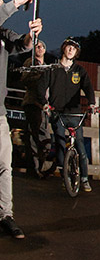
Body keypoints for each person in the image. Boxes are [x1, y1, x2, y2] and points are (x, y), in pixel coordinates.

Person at [0, 0, 42, 239]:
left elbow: (23, 46)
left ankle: (5, 214)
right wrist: (17, 1)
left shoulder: (3, 34)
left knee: (5, 165)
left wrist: (31, 35)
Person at [36, 38, 96, 191]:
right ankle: (65, 177)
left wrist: (91, 103)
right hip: (57, 113)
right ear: (64, 48)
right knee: (60, 145)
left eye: (74, 49)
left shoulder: (79, 70)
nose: (71, 50)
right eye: (69, 47)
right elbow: (41, 87)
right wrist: (44, 102)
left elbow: (88, 87)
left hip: (75, 114)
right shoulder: (52, 69)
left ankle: (84, 178)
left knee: (81, 147)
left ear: (76, 53)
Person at [21, 39, 52, 176]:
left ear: (45, 50)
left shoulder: (47, 66)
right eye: (36, 46)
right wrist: (38, 75)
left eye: (41, 46)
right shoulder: (30, 62)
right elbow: (24, 80)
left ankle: (41, 165)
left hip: (44, 105)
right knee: (34, 136)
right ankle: (34, 168)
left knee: (43, 136)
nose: (39, 48)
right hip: (33, 103)